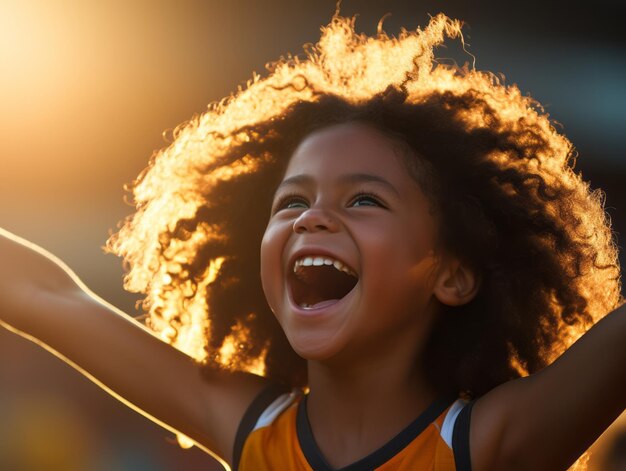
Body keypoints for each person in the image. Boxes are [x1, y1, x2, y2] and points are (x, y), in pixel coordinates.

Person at [1, 11, 624, 471]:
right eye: (292, 201)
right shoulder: (250, 428)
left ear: (452, 275)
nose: (311, 218)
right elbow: (43, 292)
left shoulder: (487, 446)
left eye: (364, 200)